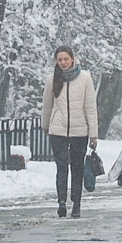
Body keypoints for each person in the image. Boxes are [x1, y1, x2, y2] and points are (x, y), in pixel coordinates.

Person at [41, 46, 98, 218]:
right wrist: (46, 125)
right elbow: (47, 105)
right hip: (58, 130)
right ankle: (61, 202)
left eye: (66, 59)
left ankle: (77, 203)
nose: (63, 63)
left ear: (73, 59)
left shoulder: (85, 78)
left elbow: (90, 107)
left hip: (79, 130)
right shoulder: (52, 79)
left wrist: (93, 133)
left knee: (77, 167)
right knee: (61, 166)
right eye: (60, 60)